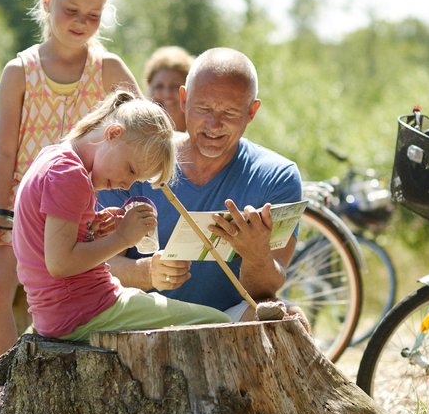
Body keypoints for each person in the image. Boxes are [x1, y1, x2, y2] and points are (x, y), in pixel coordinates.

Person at [0, 0, 140, 360]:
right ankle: (1, 386)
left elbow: (142, 132)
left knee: (72, 300)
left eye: (94, 15)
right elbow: (4, 150)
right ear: (47, 2)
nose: (81, 22)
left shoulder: (108, 70)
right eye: (71, 10)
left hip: (82, 210)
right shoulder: (21, 71)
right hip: (23, 208)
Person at [99, 48, 302, 318]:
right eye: (203, 108)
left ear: (252, 112)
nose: (213, 124)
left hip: (227, 319)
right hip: (140, 317)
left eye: (229, 113)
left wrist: (256, 255)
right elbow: (96, 263)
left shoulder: (277, 175)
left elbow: (264, 292)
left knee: (286, 317)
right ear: (183, 99)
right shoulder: (138, 158)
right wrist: (147, 272)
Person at [13, 91, 230, 341]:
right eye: (131, 169)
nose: (127, 184)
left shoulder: (54, 158)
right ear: (113, 134)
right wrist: (124, 238)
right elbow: (60, 264)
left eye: (135, 179)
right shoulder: (70, 175)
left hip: (69, 311)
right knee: (219, 323)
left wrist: (93, 229)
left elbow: (49, 242)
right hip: (82, 313)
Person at [142, 45, 192, 130]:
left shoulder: (204, 134)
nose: (167, 94)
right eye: (159, 86)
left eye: (175, 86)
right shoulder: (139, 134)